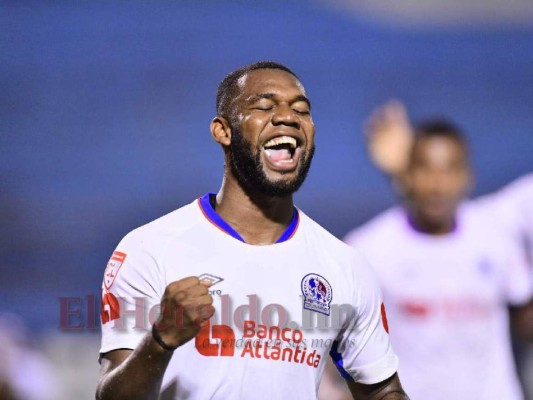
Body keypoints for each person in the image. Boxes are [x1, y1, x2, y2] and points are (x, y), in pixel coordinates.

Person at [95, 61, 409, 400]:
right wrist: (161, 339)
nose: (288, 117)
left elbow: (382, 391)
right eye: (264, 106)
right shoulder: (151, 248)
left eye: (301, 110)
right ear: (223, 131)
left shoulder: (344, 265)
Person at [341, 108, 533, 399]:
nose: (437, 184)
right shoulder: (367, 249)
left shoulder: (497, 233)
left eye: (449, 171)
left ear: (467, 176)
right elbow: (341, 350)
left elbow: (524, 316)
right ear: (407, 175)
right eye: (426, 170)